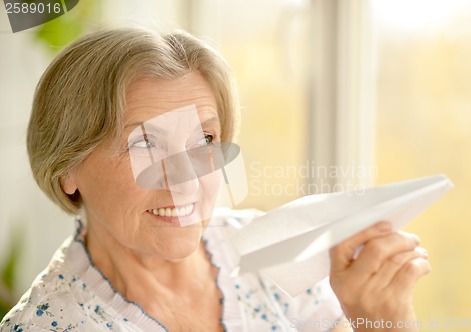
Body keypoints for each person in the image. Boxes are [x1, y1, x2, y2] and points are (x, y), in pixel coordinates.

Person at [0, 27, 430, 332]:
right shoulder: (47, 324)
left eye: (204, 138)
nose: (186, 181)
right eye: (144, 144)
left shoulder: (264, 248)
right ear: (67, 167)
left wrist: (386, 322)